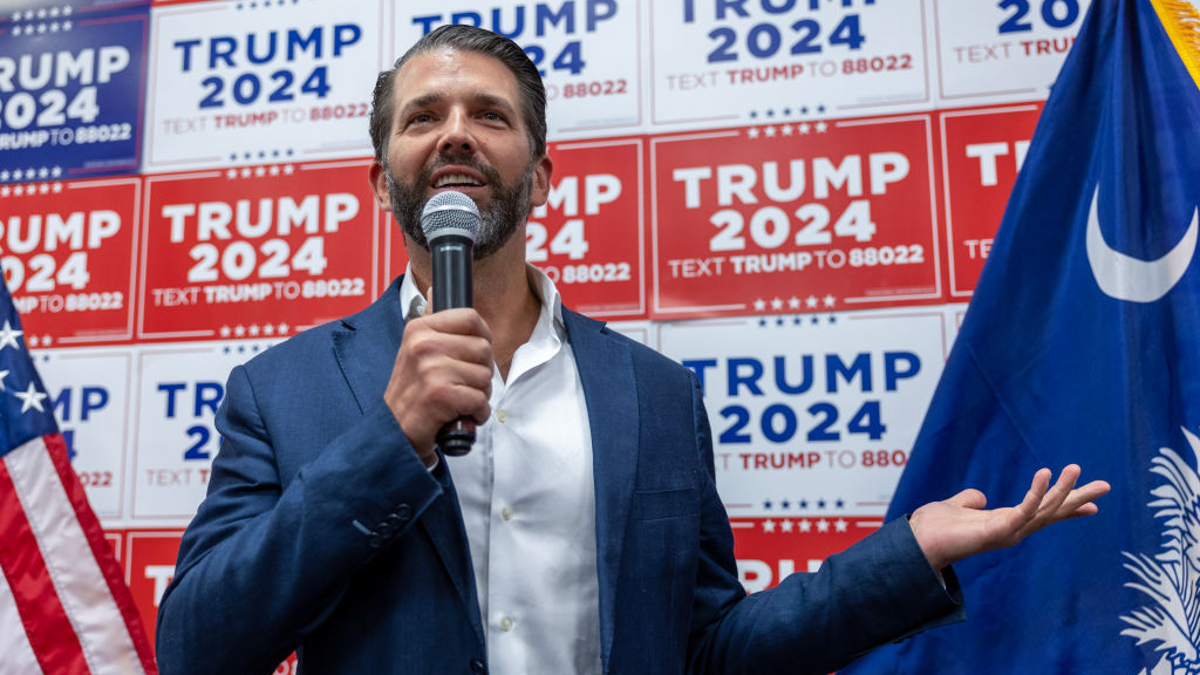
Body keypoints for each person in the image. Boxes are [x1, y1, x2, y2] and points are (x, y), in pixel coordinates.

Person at [155, 25, 1110, 675]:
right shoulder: (278, 391)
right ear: (380, 179)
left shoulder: (653, 395)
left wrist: (904, 557)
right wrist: (389, 440)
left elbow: (711, 647)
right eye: (423, 117)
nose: (455, 134)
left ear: (541, 173)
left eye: (489, 115)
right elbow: (197, 644)